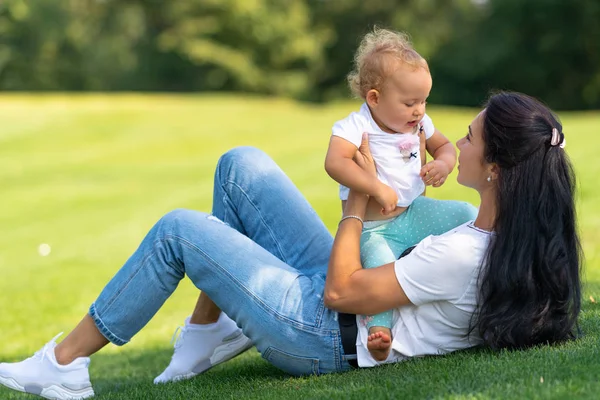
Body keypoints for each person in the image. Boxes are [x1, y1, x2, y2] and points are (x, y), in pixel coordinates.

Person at [0, 92, 581, 400]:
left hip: (321, 330)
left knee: (179, 229)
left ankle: (64, 366)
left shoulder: (462, 255)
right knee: (240, 167)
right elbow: (391, 243)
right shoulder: (485, 232)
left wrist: (354, 199)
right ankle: (210, 332)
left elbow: (340, 290)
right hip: (341, 298)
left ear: (497, 168)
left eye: (472, 136)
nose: (456, 141)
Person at [324, 28, 458, 361]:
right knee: (380, 268)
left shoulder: (419, 122)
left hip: (413, 212)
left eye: (424, 100)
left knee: (465, 215)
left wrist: (443, 163)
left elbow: (445, 146)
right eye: (410, 102)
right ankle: (379, 332)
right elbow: (334, 162)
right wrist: (375, 187)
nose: (419, 111)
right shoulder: (355, 126)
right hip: (373, 229)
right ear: (374, 98)